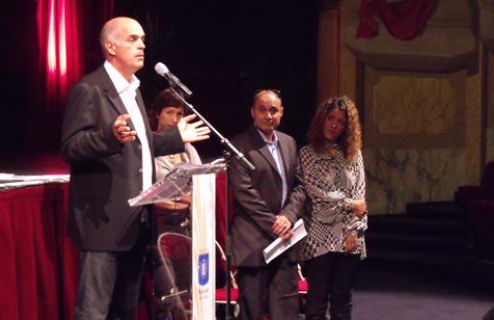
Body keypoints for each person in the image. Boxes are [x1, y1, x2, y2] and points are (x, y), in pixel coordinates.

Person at [60, 16, 210, 320]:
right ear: (110, 46)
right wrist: (108, 137)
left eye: (142, 39)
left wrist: (176, 138)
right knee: (94, 311)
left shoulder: (133, 90)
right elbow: (71, 147)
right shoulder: (89, 89)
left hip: (136, 220)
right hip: (103, 222)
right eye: (132, 39)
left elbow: (142, 144)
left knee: (124, 310)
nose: (142, 45)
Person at [228, 89, 304, 320]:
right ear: (252, 111)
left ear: (281, 112)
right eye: (262, 109)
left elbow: (299, 187)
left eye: (273, 110)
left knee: (286, 311)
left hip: (285, 240)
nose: (268, 115)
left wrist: (288, 217)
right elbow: (246, 195)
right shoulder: (238, 146)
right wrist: (275, 223)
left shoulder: (289, 142)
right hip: (253, 242)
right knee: (253, 311)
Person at [298, 96, 367, 320]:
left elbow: (360, 196)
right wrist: (349, 204)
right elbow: (319, 196)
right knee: (317, 301)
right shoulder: (307, 153)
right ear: (322, 119)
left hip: (350, 238)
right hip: (319, 237)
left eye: (341, 121)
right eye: (330, 118)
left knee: (342, 299)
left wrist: (353, 231)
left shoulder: (354, 155)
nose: (334, 125)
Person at [149, 88, 202, 235]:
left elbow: (200, 183)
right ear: (157, 114)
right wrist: (178, 201)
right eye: (169, 112)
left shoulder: (188, 149)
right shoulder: (149, 146)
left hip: (187, 225)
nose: (174, 119)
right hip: (156, 226)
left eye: (179, 114)